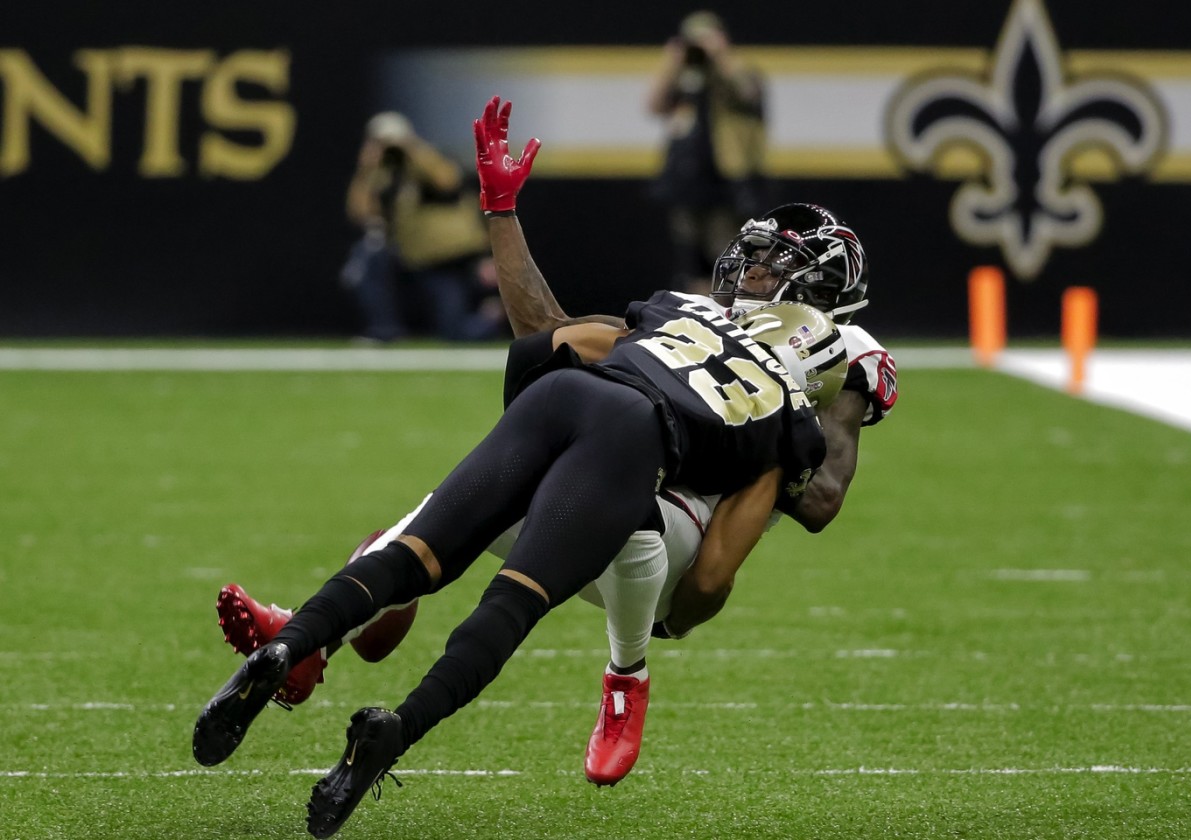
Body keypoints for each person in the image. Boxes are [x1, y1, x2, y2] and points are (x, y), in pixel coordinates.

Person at [207, 98, 898, 795]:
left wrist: (776, 432)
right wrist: (502, 212)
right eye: (750, 258)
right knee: (445, 518)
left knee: (629, 528)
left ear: (816, 289)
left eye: (768, 265)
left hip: (686, 521)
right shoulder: (694, 313)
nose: (746, 273)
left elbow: (822, 497)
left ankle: (626, 677)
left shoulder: (841, 350)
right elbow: (555, 333)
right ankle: (307, 642)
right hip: (619, 460)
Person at [340, 111, 507, 342]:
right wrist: (367, 169)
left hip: (444, 255)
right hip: (411, 254)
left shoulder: (429, 160)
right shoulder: (384, 174)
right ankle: (384, 329)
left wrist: (411, 150)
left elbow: (448, 181)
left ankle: (491, 317)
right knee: (368, 259)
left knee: (454, 333)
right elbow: (360, 212)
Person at [647, 10, 768, 294]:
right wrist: (673, 63)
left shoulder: (739, 70)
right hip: (688, 179)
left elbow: (748, 93)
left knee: (730, 255)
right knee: (692, 259)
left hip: (728, 179)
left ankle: (735, 313)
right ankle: (701, 318)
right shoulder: (686, 76)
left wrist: (719, 56)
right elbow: (655, 105)